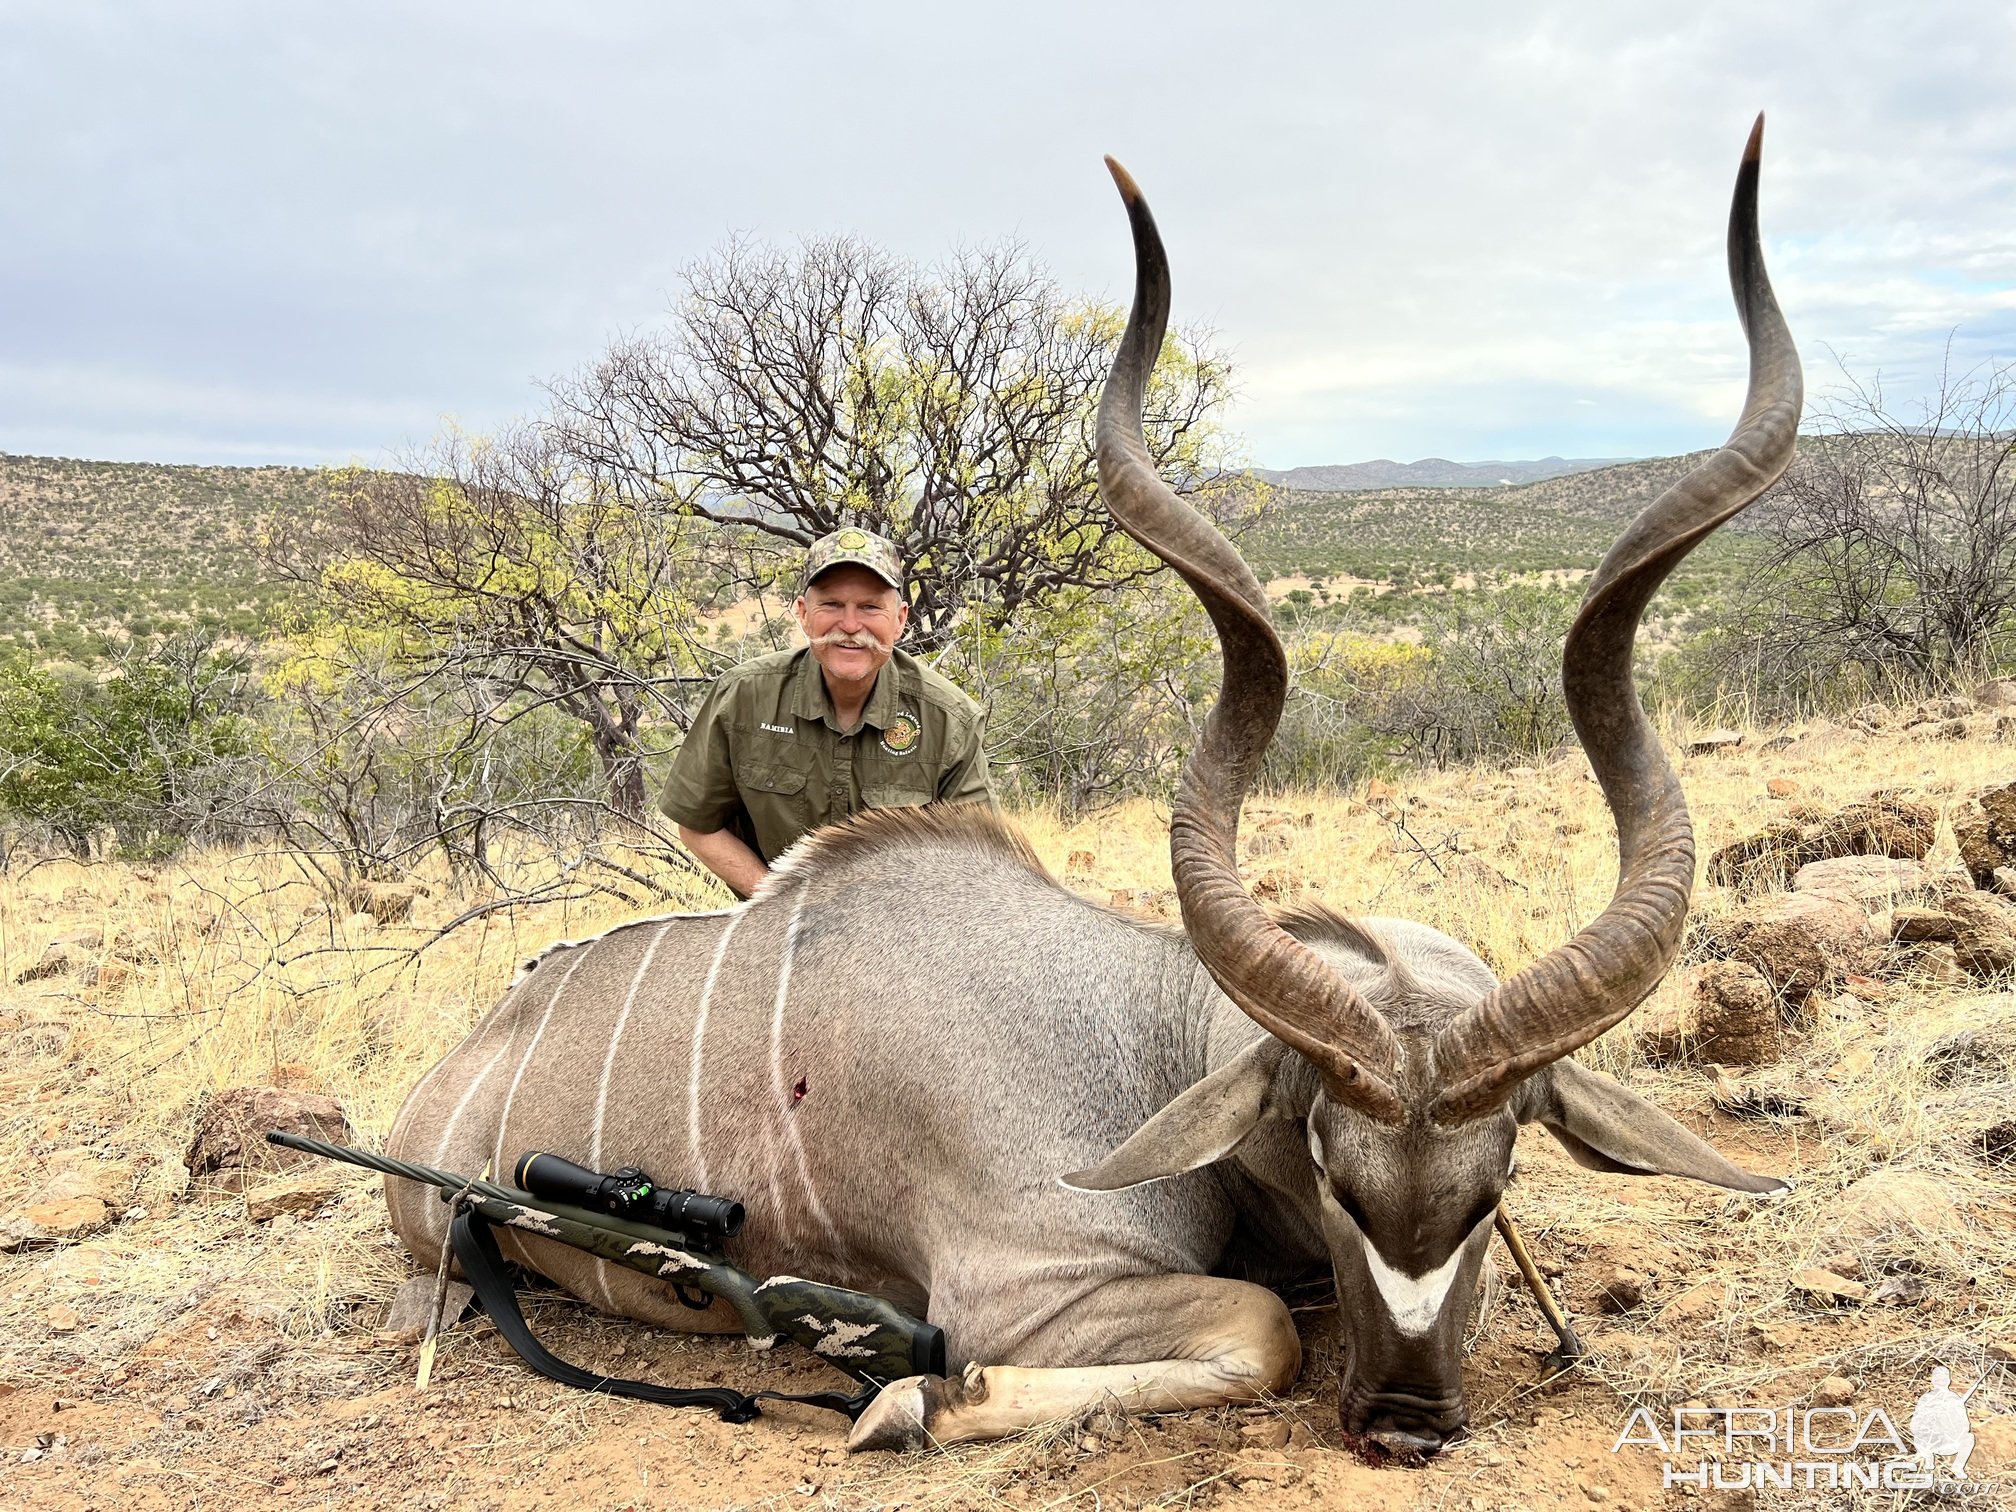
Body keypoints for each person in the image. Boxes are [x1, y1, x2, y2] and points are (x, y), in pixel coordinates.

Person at [660, 526, 994, 897]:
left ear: (900, 619)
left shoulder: (950, 721)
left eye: (869, 607)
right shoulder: (741, 697)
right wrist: (781, 907)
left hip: (902, 936)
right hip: (776, 932)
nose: (850, 626)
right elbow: (698, 825)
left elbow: (978, 860)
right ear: (803, 613)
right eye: (832, 605)